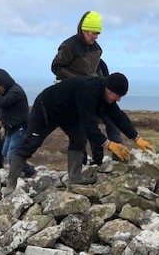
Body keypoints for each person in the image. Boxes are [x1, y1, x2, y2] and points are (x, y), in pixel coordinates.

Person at [4, 72, 155, 194]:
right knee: (31, 144)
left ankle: (75, 176)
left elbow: (117, 115)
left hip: (69, 114)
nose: (119, 99)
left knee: (79, 139)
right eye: (118, 95)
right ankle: (11, 184)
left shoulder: (105, 94)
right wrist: (110, 145)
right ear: (109, 90)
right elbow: (89, 125)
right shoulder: (88, 90)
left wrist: (136, 138)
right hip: (47, 109)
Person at [51, 10, 124, 164]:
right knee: (81, 130)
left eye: (98, 33)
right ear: (84, 30)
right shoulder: (69, 46)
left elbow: (96, 69)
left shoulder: (97, 48)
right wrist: (77, 82)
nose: (96, 37)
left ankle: (111, 159)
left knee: (109, 122)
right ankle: (81, 164)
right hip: (75, 94)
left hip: (94, 92)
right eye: (93, 33)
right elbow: (56, 67)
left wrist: (103, 84)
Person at [0, 68, 35, 177]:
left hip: (19, 128)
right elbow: (3, 108)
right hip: (11, 128)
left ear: (2, 83)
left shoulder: (16, 91)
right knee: (5, 152)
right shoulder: (8, 90)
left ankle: (21, 175)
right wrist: (3, 126)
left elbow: (2, 102)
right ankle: (26, 169)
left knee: (11, 156)